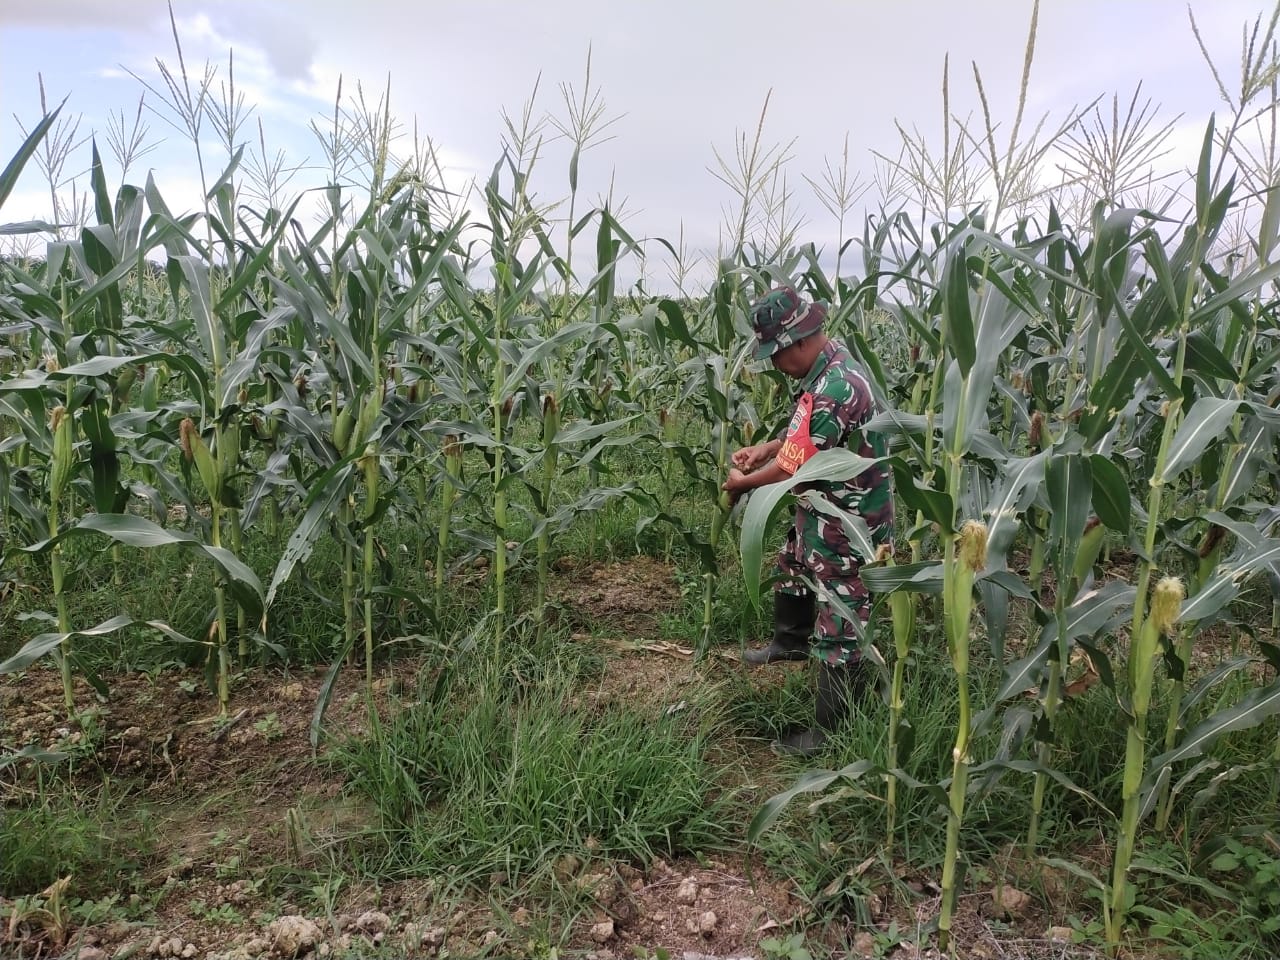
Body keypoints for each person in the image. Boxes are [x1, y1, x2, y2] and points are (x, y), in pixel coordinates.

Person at [722, 285, 893, 756]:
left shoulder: (839, 386)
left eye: (775, 354)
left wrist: (744, 482)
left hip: (851, 516)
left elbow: (795, 466)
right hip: (822, 506)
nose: (773, 364)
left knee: (841, 611)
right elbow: (802, 436)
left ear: (797, 341)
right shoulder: (825, 368)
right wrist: (766, 448)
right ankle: (791, 642)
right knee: (794, 563)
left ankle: (830, 730)